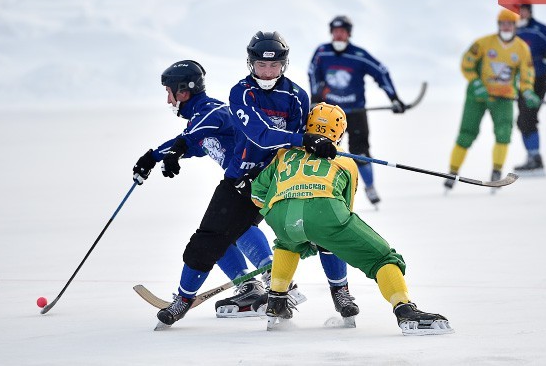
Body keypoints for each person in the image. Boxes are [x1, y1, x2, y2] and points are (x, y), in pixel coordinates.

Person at [154, 32, 358, 328]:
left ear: (284, 65)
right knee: (208, 239)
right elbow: (260, 135)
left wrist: (318, 143)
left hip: (280, 180)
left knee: (325, 224)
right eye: (261, 66)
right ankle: (183, 300)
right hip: (240, 179)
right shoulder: (241, 92)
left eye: (274, 66)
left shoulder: (297, 96)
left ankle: (340, 292)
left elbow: (294, 146)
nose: (267, 72)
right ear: (250, 64)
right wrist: (303, 137)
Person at [250, 102, 453, 335]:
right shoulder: (346, 161)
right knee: (383, 257)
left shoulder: (284, 154)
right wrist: (319, 230)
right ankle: (405, 310)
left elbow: (257, 194)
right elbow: (344, 207)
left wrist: (291, 216)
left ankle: (277, 302)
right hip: (325, 212)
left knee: (287, 243)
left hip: (281, 215)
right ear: (341, 133)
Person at [132, 59, 298, 318]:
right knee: (222, 237)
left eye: (169, 92)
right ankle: (249, 287)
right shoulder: (201, 119)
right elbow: (196, 143)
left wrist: (159, 155)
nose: (168, 100)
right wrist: (161, 157)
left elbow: (190, 138)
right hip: (251, 182)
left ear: (183, 92)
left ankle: (275, 278)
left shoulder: (212, 111)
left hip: (257, 180)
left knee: (224, 231)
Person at [308, 15, 406, 205]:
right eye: (335, 32)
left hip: (356, 113)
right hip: (329, 115)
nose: (338, 35)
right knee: (324, 150)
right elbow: (313, 73)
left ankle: (370, 187)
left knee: (360, 153)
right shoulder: (322, 52)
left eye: (342, 32)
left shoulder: (358, 55)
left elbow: (381, 72)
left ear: (349, 34)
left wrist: (394, 98)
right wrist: (315, 99)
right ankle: (319, 190)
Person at [444, 9, 537, 191]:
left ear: (515, 26)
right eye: (503, 23)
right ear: (498, 25)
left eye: (510, 23)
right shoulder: (484, 43)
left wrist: (527, 91)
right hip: (478, 97)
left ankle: (496, 171)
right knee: (466, 133)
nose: (506, 26)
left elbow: (527, 74)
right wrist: (475, 82)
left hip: (503, 98)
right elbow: (467, 63)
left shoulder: (522, 49)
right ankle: (452, 172)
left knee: (504, 133)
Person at [514, 3, 546, 176]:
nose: (521, 13)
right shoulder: (512, 30)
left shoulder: (539, 29)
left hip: (539, 79)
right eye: (518, 10)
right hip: (521, 81)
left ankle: (536, 160)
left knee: (528, 118)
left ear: (530, 11)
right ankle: (531, 157)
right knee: (521, 121)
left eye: (524, 10)